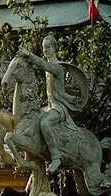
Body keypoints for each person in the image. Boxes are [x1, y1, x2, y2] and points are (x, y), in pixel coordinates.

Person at [20, 33, 81, 174]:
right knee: (31, 119)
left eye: (48, 47)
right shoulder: (50, 66)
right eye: (43, 47)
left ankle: (56, 157)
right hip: (49, 107)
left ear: (54, 48)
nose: (45, 50)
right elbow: (60, 91)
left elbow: (42, 64)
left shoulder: (56, 67)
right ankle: (29, 153)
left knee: (45, 123)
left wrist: (29, 54)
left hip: (58, 109)